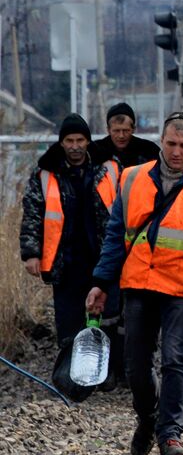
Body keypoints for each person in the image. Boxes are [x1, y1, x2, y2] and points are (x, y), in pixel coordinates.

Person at [86, 111, 183, 455]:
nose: (177, 152)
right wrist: (100, 283)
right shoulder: (132, 179)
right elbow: (115, 238)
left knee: (173, 358)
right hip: (138, 284)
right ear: (161, 142)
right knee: (135, 365)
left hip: (181, 290)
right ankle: (148, 417)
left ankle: (171, 435)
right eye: (171, 143)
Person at [19, 113, 120, 349]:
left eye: (80, 140)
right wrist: (31, 253)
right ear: (61, 143)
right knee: (69, 321)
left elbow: (126, 210)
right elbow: (32, 214)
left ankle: (107, 372)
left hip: (103, 257)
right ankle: (71, 378)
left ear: (88, 141)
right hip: (65, 260)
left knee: (107, 317)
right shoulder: (45, 173)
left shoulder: (109, 167)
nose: (75, 147)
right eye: (69, 141)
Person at [90, 102, 161, 170]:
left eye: (126, 130)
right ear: (108, 130)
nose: (121, 136)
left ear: (133, 129)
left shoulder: (149, 150)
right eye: (116, 131)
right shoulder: (96, 150)